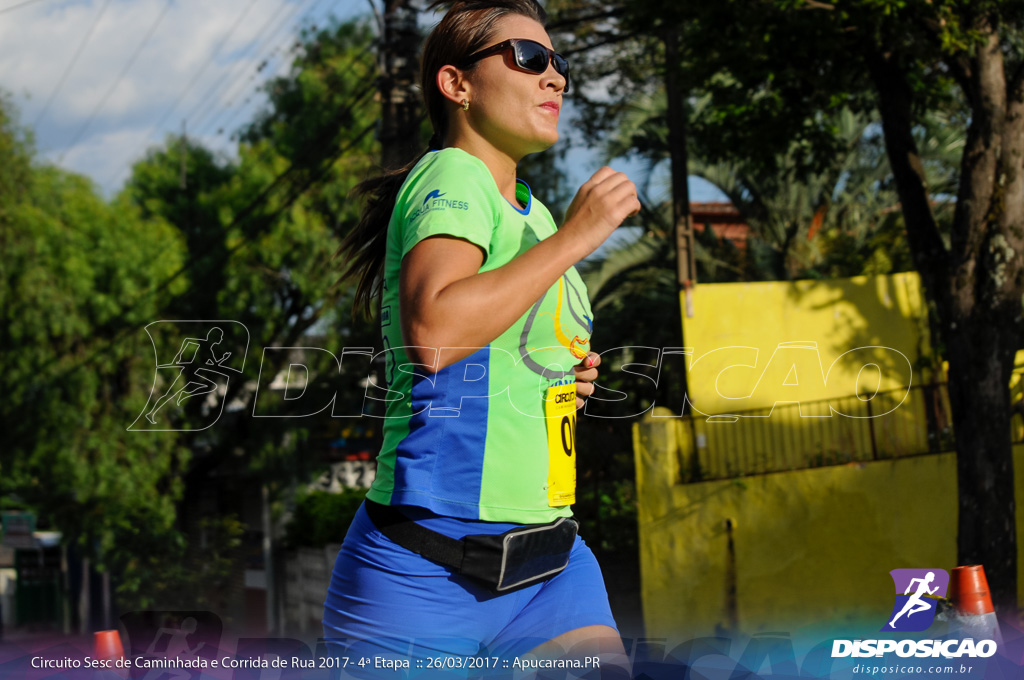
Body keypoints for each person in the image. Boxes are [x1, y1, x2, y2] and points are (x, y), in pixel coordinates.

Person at [323, 0, 640, 674]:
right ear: (456, 84)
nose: (554, 77)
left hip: (551, 563)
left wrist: (563, 375)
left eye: (558, 63)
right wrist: (580, 235)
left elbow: (503, 340)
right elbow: (435, 331)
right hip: (428, 569)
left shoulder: (535, 214)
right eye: (529, 58)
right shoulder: (452, 174)